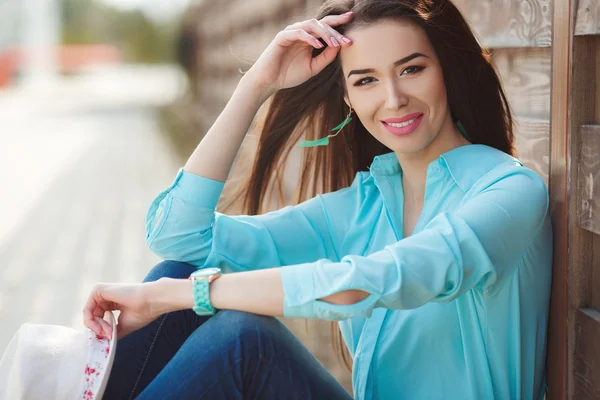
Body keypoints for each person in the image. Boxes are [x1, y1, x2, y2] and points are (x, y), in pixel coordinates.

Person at [82, 0, 553, 399]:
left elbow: (377, 280)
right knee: (178, 273)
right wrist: (258, 85)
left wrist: (177, 296)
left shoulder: (510, 192)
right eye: (366, 80)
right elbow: (180, 238)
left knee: (238, 335)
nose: (393, 99)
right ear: (347, 96)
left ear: (446, 71)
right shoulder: (362, 205)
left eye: (411, 69)